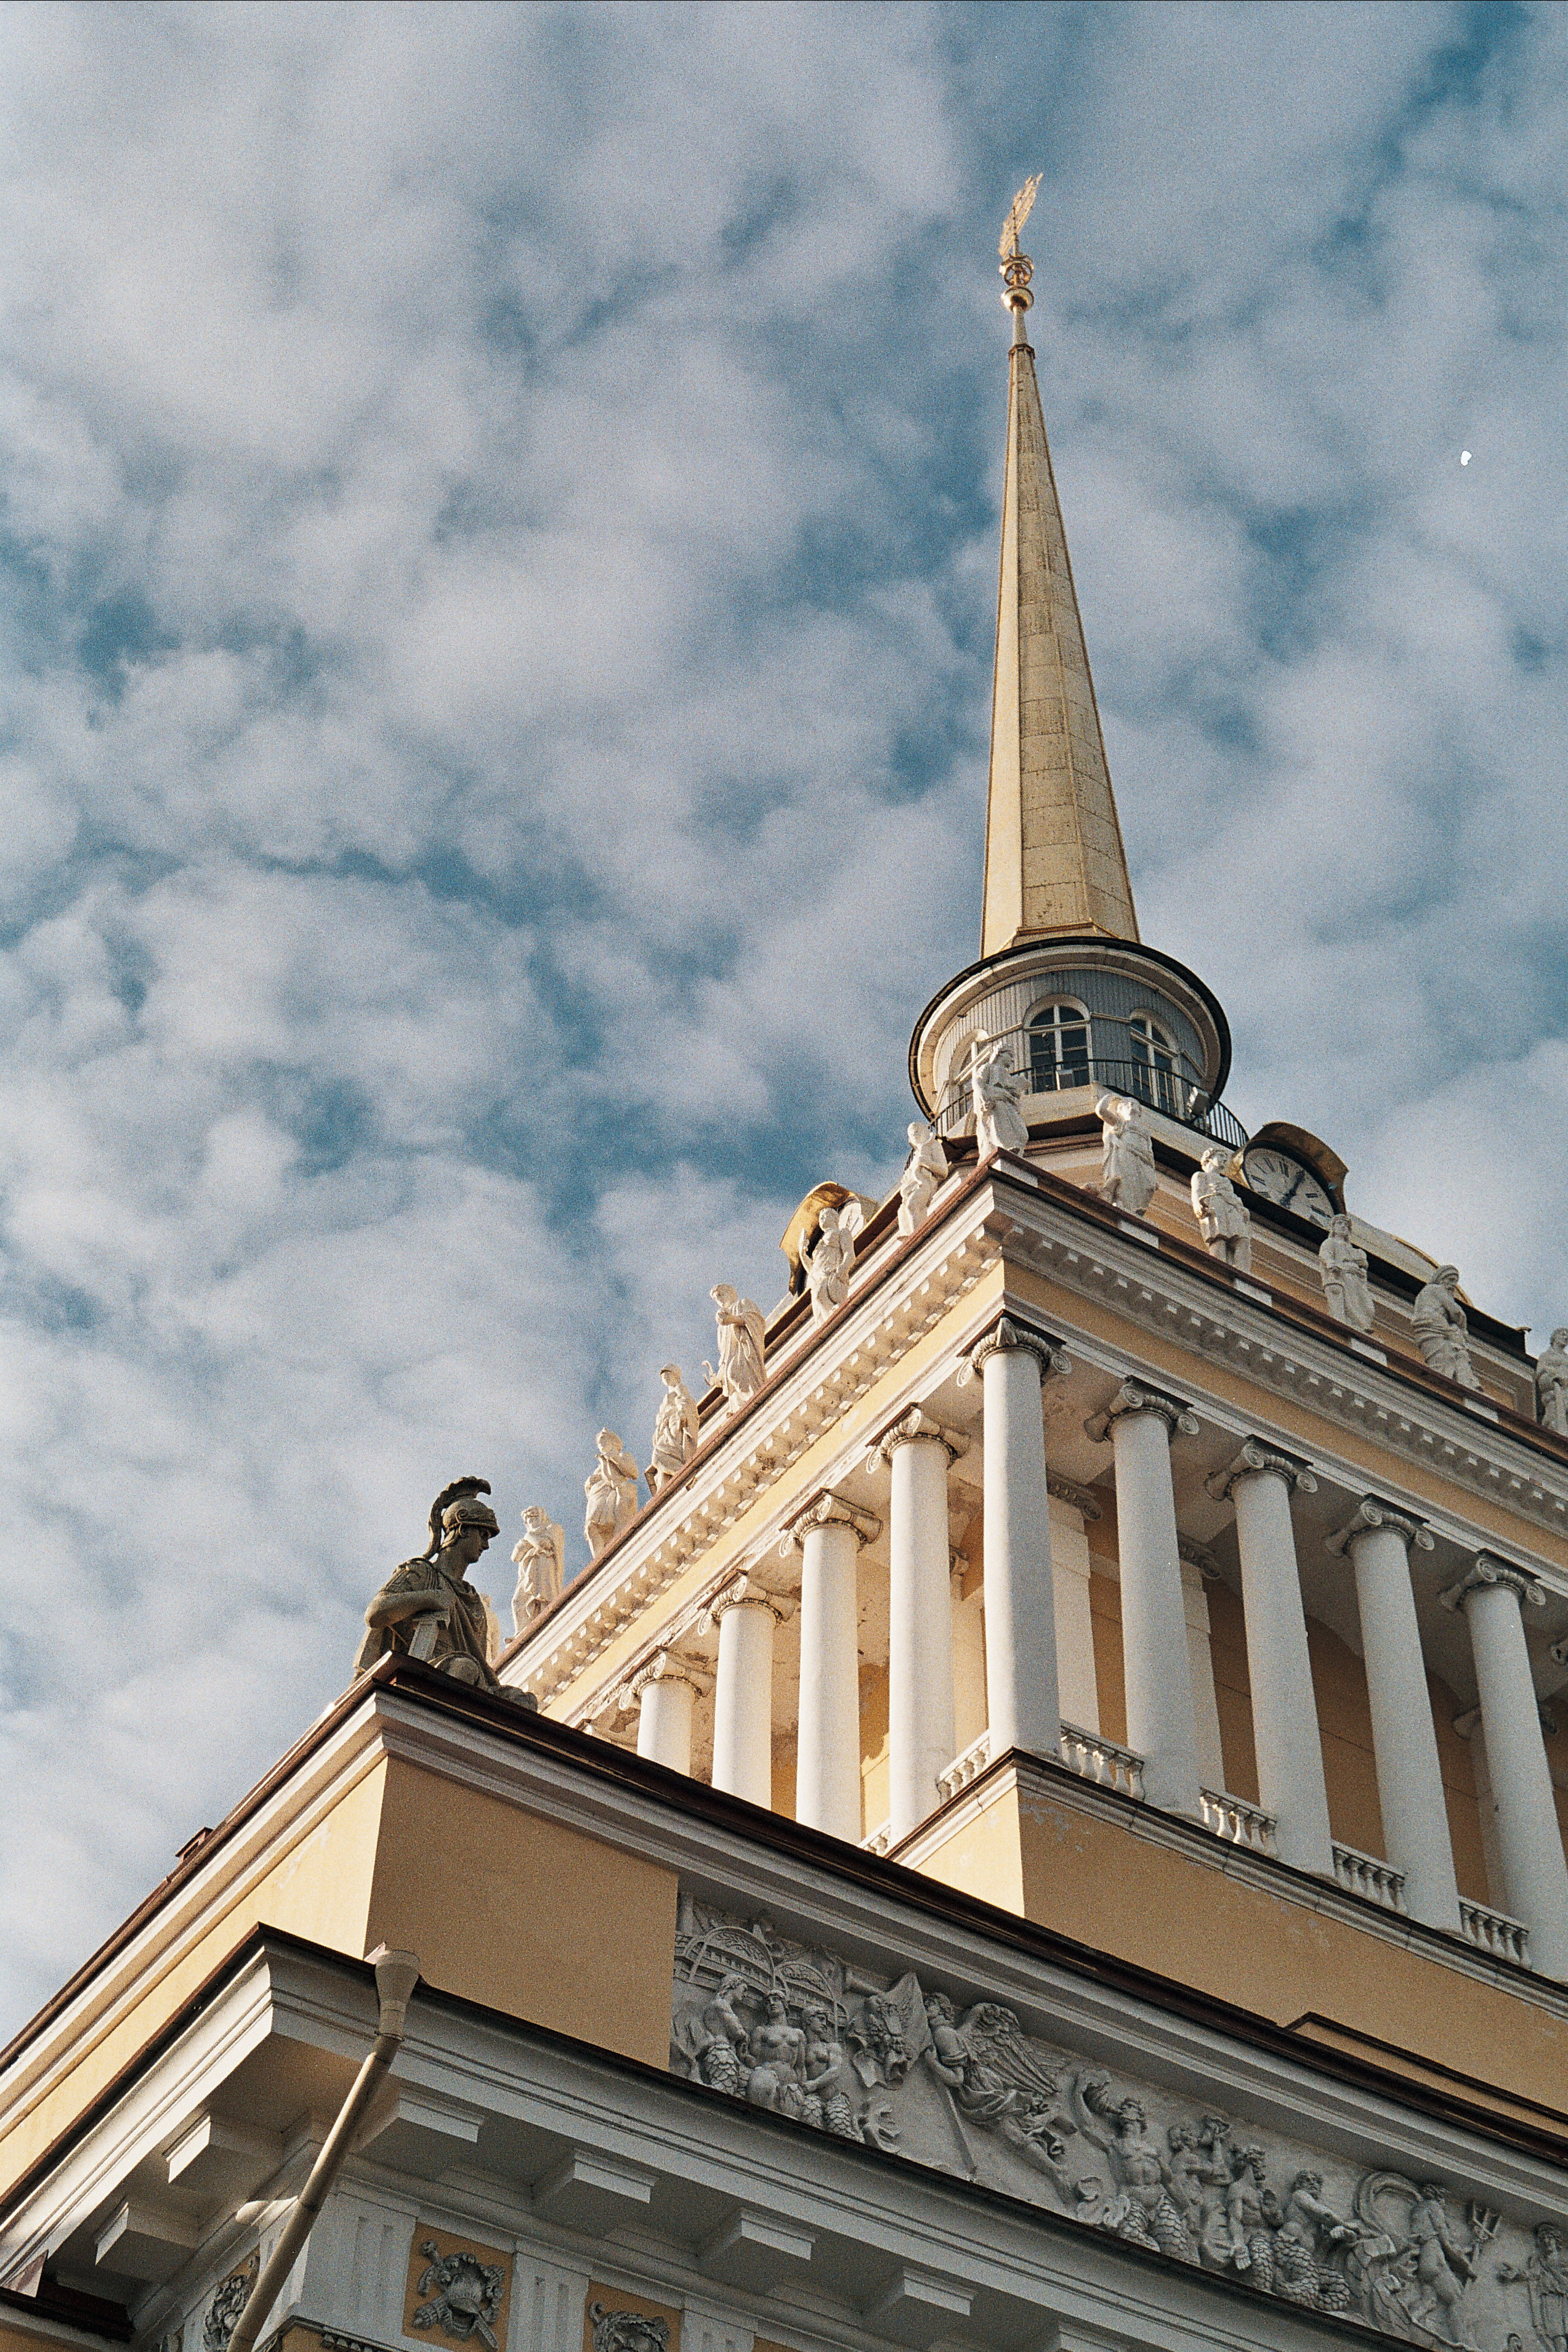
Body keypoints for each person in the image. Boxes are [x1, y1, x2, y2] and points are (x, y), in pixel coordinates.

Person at [355, 1477, 503, 1689]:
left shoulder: (473, 1600)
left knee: (522, 1701)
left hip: (468, 1680)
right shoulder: (420, 1572)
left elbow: (483, 1668)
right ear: (462, 1529)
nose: (486, 1545)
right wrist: (428, 1598)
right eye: (482, 1534)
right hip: (422, 1672)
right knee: (465, 1668)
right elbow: (375, 1613)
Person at [1412, 1267, 1481, 1389]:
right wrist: (1462, 1329)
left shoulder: (1427, 1293)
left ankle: (1458, 1383)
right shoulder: (1436, 1289)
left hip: (1433, 1329)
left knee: (1453, 1355)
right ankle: (1443, 1385)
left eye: (1455, 1281)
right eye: (1450, 1280)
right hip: (1434, 1328)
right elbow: (1457, 1313)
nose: (1453, 1285)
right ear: (1441, 1279)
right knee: (1445, 1356)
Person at [705, 1284, 766, 1410]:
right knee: (731, 1373)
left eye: (721, 1295)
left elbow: (755, 1321)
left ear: (731, 1293)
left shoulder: (743, 1304)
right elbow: (724, 1354)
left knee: (736, 1372)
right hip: (732, 1357)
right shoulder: (721, 1326)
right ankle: (743, 1404)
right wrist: (719, 1376)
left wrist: (733, 1319)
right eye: (717, 1298)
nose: (720, 1299)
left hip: (745, 1350)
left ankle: (752, 1398)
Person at [1096, 1092, 1157, 1218]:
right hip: (1126, 1152)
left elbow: (1149, 1150)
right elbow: (1101, 1110)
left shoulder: (1145, 1131)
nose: (1131, 1104)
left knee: (1148, 1186)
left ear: (1139, 1112)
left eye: (1134, 1103)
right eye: (1126, 1103)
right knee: (1126, 1179)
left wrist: (1151, 1168)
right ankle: (1126, 1208)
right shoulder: (1121, 1122)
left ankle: (1136, 1210)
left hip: (1144, 1158)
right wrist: (1109, 1096)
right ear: (1119, 1110)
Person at [1190, 1148, 1251, 1270]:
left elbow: (1231, 1196)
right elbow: (1196, 1194)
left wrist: (1241, 1209)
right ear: (1209, 1158)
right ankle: (1219, 1271)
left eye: (1225, 1157)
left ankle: (1243, 1273)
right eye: (1221, 1156)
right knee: (1219, 1240)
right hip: (1215, 1207)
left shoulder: (1226, 1181)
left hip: (1232, 1209)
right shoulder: (1200, 1176)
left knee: (1243, 1240)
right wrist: (1198, 1206)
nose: (1225, 1159)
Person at [1318, 1214, 1376, 1334]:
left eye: (1346, 1225)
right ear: (1334, 1228)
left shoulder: (1355, 1250)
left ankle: (1363, 1322)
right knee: (1350, 1301)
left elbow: (1363, 1264)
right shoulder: (1330, 1243)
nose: (1344, 1227)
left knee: (1366, 1304)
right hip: (1343, 1275)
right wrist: (1331, 1264)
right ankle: (1358, 1324)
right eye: (1340, 1224)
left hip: (1357, 1278)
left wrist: (1360, 1270)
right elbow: (1326, 1255)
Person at [584, 1431, 640, 1556]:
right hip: (598, 1498)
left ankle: (619, 1545)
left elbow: (633, 1473)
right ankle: (599, 1561)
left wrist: (614, 1457)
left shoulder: (623, 1455)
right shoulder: (599, 1465)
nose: (600, 1443)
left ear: (614, 1442)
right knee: (591, 1528)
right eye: (599, 1442)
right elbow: (590, 1488)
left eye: (604, 1439)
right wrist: (588, 1483)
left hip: (613, 1494)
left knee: (615, 1524)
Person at [972, 1037, 1030, 1154]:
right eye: (1010, 1055)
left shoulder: (1008, 1076)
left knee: (1023, 1134)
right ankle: (1006, 1148)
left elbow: (1016, 1087)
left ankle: (1015, 1149)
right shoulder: (988, 1068)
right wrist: (983, 1099)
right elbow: (977, 1082)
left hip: (1010, 1105)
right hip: (997, 1103)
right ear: (1000, 1054)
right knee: (1001, 1126)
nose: (1013, 1060)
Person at [647, 1364, 699, 1491]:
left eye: (667, 1375)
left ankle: (684, 1474)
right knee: (661, 1454)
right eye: (663, 1376)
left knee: (658, 1456)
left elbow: (685, 1400)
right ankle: (683, 1474)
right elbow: (660, 1416)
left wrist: (682, 1412)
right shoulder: (669, 1394)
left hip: (676, 1421)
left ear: (674, 1375)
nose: (665, 1378)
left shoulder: (679, 1387)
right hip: (667, 1426)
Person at [898, 1122, 948, 1236]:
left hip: (926, 1185)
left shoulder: (933, 1145)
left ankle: (918, 1238)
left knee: (912, 1205)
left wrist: (926, 1162)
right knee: (904, 1209)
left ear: (926, 1131)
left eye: (917, 1130)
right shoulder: (914, 1159)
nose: (915, 1133)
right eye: (912, 1133)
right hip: (914, 1188)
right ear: (910, 1140)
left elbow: (944, 1171)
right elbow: (907, 1180)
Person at [1535, 1331, 1568, 1436]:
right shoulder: (1546, 1355)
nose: (1566, 1337)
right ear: (1554, 1338)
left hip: (1565, 1388)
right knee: (1554, 1417)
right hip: (1553, 1389)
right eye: (1563, 1334)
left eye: (1567, 1335)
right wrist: (1552, 1373)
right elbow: (1539, 1373)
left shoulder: (1566, 1358)